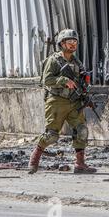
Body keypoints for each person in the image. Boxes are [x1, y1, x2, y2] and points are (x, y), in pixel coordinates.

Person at [28, 29, 97, 174]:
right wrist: (63, 80)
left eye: (75, 41)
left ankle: (80, 164)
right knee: (51, 135)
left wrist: (86, 97)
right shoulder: (54, 60)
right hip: (56, 102)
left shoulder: (77, 62)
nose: (73, 44)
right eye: (69, 41)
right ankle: (34, 158)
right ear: (62, 43)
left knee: (82, 130)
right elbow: (46, 80)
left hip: (74, 102)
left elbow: (81, 83)